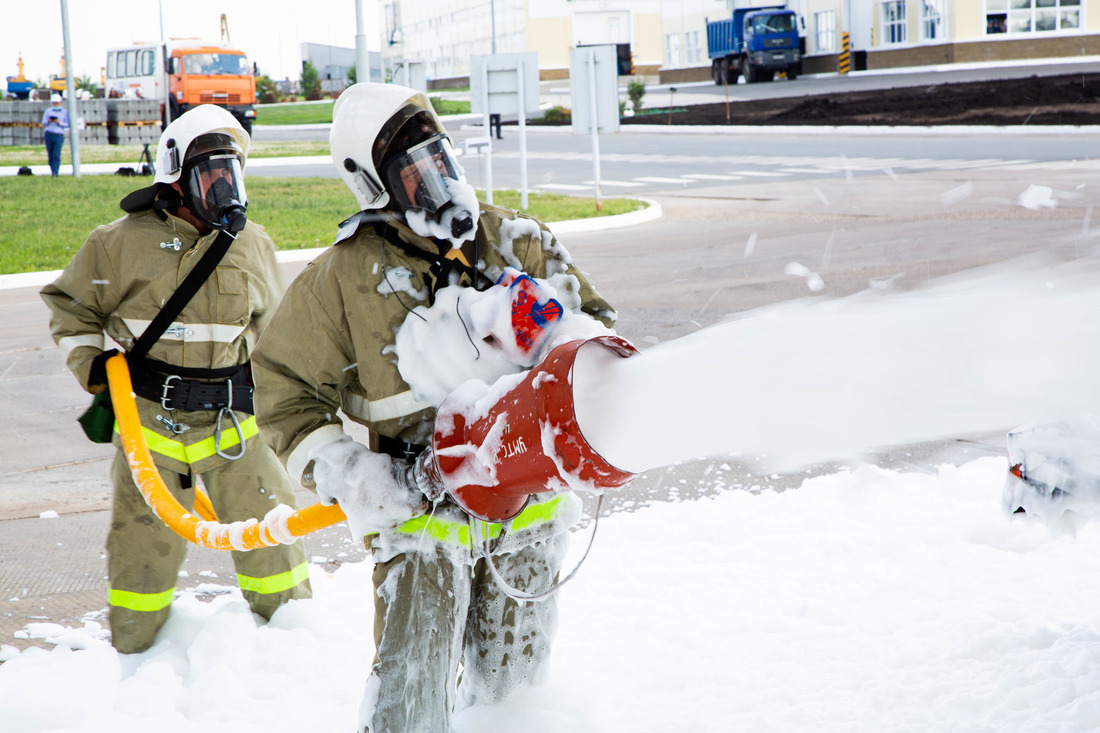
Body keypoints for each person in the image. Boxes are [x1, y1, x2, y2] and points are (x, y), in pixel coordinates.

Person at [250, 82, 616, 733]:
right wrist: (357, 477)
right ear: (373, 184)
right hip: (423, 524)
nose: (439, 181)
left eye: (440, 158)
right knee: (411, 702)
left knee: (516, 688)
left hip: (529, 506)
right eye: (416, 172)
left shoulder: (514, 241)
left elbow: (598, 331)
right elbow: (282, 394)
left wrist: (551, 327)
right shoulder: (340, 283)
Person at [40, 104, 312, 654]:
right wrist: (92, 363)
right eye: (210, 173)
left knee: (272, 540)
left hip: (235, 426)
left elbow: (277, 334)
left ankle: (289, 653)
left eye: (230, 172)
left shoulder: (251, 244)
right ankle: (136, 661)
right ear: (176, 176)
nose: (223, 186)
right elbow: (69, 306)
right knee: (143, 553)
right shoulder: (117, 243)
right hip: (149, 424)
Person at [41, 93, 69, 177]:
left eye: (57, 103)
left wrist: (59, 122)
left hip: (58, 135)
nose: (55, 104)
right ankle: (52, 170)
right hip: (49, 134)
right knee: (50, 154)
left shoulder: (64, 112)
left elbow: (67, 124)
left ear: (60, 102)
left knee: (56, 154)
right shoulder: (48, 111)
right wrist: (49, 121)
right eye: (54, 103)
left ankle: (55, 172)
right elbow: (43, 123)